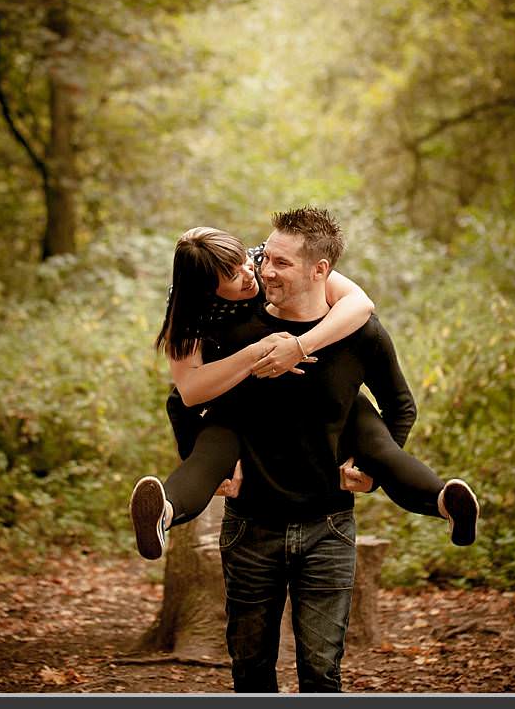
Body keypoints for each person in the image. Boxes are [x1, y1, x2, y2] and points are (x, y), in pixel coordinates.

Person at [128, 227, 477, 562]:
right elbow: (187, 393)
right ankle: (164, 511)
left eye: (244, 263)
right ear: (208, 291)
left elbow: (360, 302)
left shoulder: (264, 261)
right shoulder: (188, 312)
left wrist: (299, 347)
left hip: (328, 393)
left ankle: (446, 501)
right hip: (242, 399)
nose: (251, 275)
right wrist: (256, 352)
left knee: (379, 448)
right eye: (234, 277)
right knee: (210, 454)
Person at [206, 208, 447, 692]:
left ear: (321, 270)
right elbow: (189, 399)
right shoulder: (237, 322)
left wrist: (374, 471)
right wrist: (208, 460)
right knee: (250, 672)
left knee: (322, 672)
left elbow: (401, 407)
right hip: (249, 527)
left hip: (329, 529)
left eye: (282, 263)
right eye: (266, 256)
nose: (265, 271)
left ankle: (441, 501)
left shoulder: (362, 333)